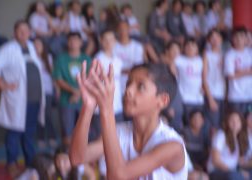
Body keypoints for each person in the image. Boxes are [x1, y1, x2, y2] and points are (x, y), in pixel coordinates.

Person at [58, 61, 188, 179]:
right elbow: (76, 158)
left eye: (140, 87)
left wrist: (107, 109)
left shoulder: (173, 145)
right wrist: (88, 106)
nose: (128, 91)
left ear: (162, 101)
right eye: (128, 84)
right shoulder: (120, 132)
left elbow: (118, 176)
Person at [0, 20, 45, 178]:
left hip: (34, 100)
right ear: (14, 33)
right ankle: (11, 163)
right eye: (20, 30)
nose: (23, 33)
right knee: (15, 133)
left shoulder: (31, 47)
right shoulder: (9, 48)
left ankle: (30, 164)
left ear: (30, 32)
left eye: (26, 30)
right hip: (18, 100)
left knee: (29, 134)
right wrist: (2, 84)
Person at [52, 32, 91, 146]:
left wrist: (79, 94)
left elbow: (91, 79)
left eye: (76, 40)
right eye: (71, 40)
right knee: (67, 134)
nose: (73, 42)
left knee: (84, 133)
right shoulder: (61, 58)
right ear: (67, 43)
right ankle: (67, 161)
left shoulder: (86, 59)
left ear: (81, 42)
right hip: (66, 101)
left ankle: (83, 162)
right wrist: (75, 91)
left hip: (84, 102)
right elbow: (58, 79)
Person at [92, 30, 124, 141]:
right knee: (101, 140)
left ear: (115, 41)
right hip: (101, 108)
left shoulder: (119, 61)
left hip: (117, 106)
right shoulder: (98, 59)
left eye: (111, 39)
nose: (108, 42)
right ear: (101, 41)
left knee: (117, 139)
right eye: (105, 40)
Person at [207, 111, 248, 180]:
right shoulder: (221, 135)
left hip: (232, 172)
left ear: (241, 123)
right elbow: (215, 160)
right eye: (232, 120)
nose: (235, 123)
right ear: (227, 122)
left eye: (238, 120)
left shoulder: (238, 138)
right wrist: (236, 172)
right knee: (234, 176)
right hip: (217, 171)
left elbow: (239, 162)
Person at [34, 38, 57, 148]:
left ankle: (52, 136)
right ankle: (41, 138)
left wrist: (56, 88)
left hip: (47, 90)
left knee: (47, 115)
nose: (37, 46)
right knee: (39, 115)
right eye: (35, 45)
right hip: (35, 91)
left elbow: (53, 75)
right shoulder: (31, 58)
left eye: (39, 44)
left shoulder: (48, 58)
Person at [174, 38, 204, 124]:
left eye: (193, 45)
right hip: (185, 98)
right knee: (187, 123)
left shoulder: (200, 61)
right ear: (184, 48)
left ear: (197, 49)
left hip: (199, 98)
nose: (190, 47)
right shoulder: (179, 60)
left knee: (197, 124)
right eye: (188, 45)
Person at [224, 27, 252, 114]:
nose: (239, 39)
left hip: (249, 96)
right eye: (237, 37)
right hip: (235, 96)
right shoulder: (230, 55)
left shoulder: (250, 53)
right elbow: (230, 76)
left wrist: (239, 72)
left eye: (242, 37)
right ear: (233, 39)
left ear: (246, 39)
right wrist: (247, 71)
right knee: (236, 123)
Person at [203, 29, 226, 130]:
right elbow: (204, 77)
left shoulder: (226, 55)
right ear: (208, 41)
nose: (215, 40)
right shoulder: (207, 55)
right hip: (213, 94)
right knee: (213, 126)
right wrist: (210, 98)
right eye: (212, 38)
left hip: (224, 95)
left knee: (223, 124)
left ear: (221, 39)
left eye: (217, 37)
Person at [114, 21, 144, 94]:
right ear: (117, 31)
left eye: (125, 29)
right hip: (116, 83)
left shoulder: (137, 47)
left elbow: (137, 67)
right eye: (120, 29)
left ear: (129, 29)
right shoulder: (113, 46)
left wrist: (120, 70)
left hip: (132, 82)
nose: (122, 31)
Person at [162, 41, 184, 133]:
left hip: (178, 102)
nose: (176, 52)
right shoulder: (163, 66)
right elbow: (163, 88)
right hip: (170, 104)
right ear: (167, 51)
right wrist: (168, 106)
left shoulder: (176, 65)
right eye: (173, 49)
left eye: (177, 50)